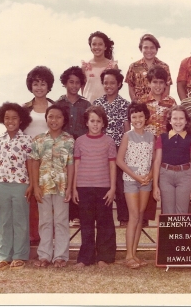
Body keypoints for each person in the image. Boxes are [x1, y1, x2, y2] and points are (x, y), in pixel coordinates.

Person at [73, 106, 117, 269]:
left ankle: (104, 257)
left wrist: (112, 189)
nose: (95, 124)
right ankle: (86, 257)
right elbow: (76, 164)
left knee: (105, 224)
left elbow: (112, 166)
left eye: (99, 121)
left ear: (103, 123)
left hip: (103, 187)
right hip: (84, 187)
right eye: (92, 121)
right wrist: (74, 188)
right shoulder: (79, 141)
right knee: (86, 224)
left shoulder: (109, 141)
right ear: (87, 122)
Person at [31, 104, 74, 268]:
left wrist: (70, 187)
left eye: (58, 117)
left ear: (64, 120)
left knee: (61, 221)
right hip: (43, 186)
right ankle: (44, 255)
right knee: (45, 221)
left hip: (62, 186)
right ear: (46, 118)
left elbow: (71, 165)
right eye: (51, 116)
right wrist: (35, 186)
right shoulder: (39, 139)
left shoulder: (69, 140)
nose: (54, 120)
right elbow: (34, 163)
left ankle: (61, 256)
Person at [0, 102, 33, 270]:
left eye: (14, 118)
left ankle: (20, 255)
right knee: (3, 221)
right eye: (7, 118)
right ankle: (3, 256)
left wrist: (31, 184)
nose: (10, 121)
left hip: (22, 184)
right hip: (3, 185)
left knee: (21, 221)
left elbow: (30, 164)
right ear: (2, 119)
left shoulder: (27, 140)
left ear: (21, 120)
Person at [116, 102, 155, 269]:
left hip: (146, 181)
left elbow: (154, 160)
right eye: (134, 117)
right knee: (133, 216)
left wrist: (150, 175)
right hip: (131, 180)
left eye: (140, 116)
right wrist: (136, 176)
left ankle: (135, 253)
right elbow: (119, 160)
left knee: (140, 216)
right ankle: (128, 255)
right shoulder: (127, 136)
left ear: (146, 118)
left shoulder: (152, 136)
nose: (137, 120)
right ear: (130, 119)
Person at [93, 69, 131, 227]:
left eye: (112, 83)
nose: (109, 86)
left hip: (118, 148)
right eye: (106, 83)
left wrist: (124, 151)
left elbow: (127, 129)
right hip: (100, 149)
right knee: (102, 185)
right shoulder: (97, 104)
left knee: (120, 185)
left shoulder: (125, 104)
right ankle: (102, 218)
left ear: (119, 84)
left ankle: (123, 217)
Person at [23, 65, 55, 247]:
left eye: (43, 83)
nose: (39, 87)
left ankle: (49, 240)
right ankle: (32, 239)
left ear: (49, 86)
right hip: (28, 160)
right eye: (36, 83)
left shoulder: (55, 106)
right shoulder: (24, 109)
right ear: (31, 85)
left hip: (50, 160)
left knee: (49, 200)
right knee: (31, 199)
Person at [140, 65, 177, 224]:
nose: (158, 86)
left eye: (161, 82)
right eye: (154, 82)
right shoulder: (142, 101)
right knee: (147, 181)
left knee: (165, 183)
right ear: (149, 83)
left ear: (165, 84)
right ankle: (145, 219)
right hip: (146, 148)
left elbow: (175, 124)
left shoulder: (171, 102)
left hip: (166, 149)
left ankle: (167, 221)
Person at [56, 66, 91, 227]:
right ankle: (64, 214)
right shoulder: (58, 103)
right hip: (62, 148)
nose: (74, 85)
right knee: (64, 180)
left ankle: (77, 215)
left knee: (78, 180)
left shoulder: (86, 104)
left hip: (81, 148)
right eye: (71, 82)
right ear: (65, 83)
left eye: (78, 82)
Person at [153, 106, 191, 214]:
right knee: (168, 212)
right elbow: (157, 161)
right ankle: (169, 232)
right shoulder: (162, 137)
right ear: (170, 121)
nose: (178, 122)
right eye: (175, 118)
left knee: (182, 212)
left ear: (186, 120)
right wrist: (155, 185)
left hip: (185, 176)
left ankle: (180, 232)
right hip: (166, 176)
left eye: (181, 118)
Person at [125, 34, 173, 102]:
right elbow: (131, 87)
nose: (149, 50)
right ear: (141, 49)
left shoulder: (164, 66)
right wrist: (137, 104)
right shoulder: (133, 67)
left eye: (152, 48)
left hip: (158, 107)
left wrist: (161, 105)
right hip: (140, 107)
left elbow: (167, 87)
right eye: (146, 47)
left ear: (156, 50)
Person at [82, 31, 118, 103]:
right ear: (90, 47)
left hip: (106, 107)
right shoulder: (84, 67)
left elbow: (116, 89)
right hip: (89, 107)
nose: (97, 47)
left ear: (105, 47)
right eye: (94, 44)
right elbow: (83, 89)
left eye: (100, 44)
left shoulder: (113, 66)